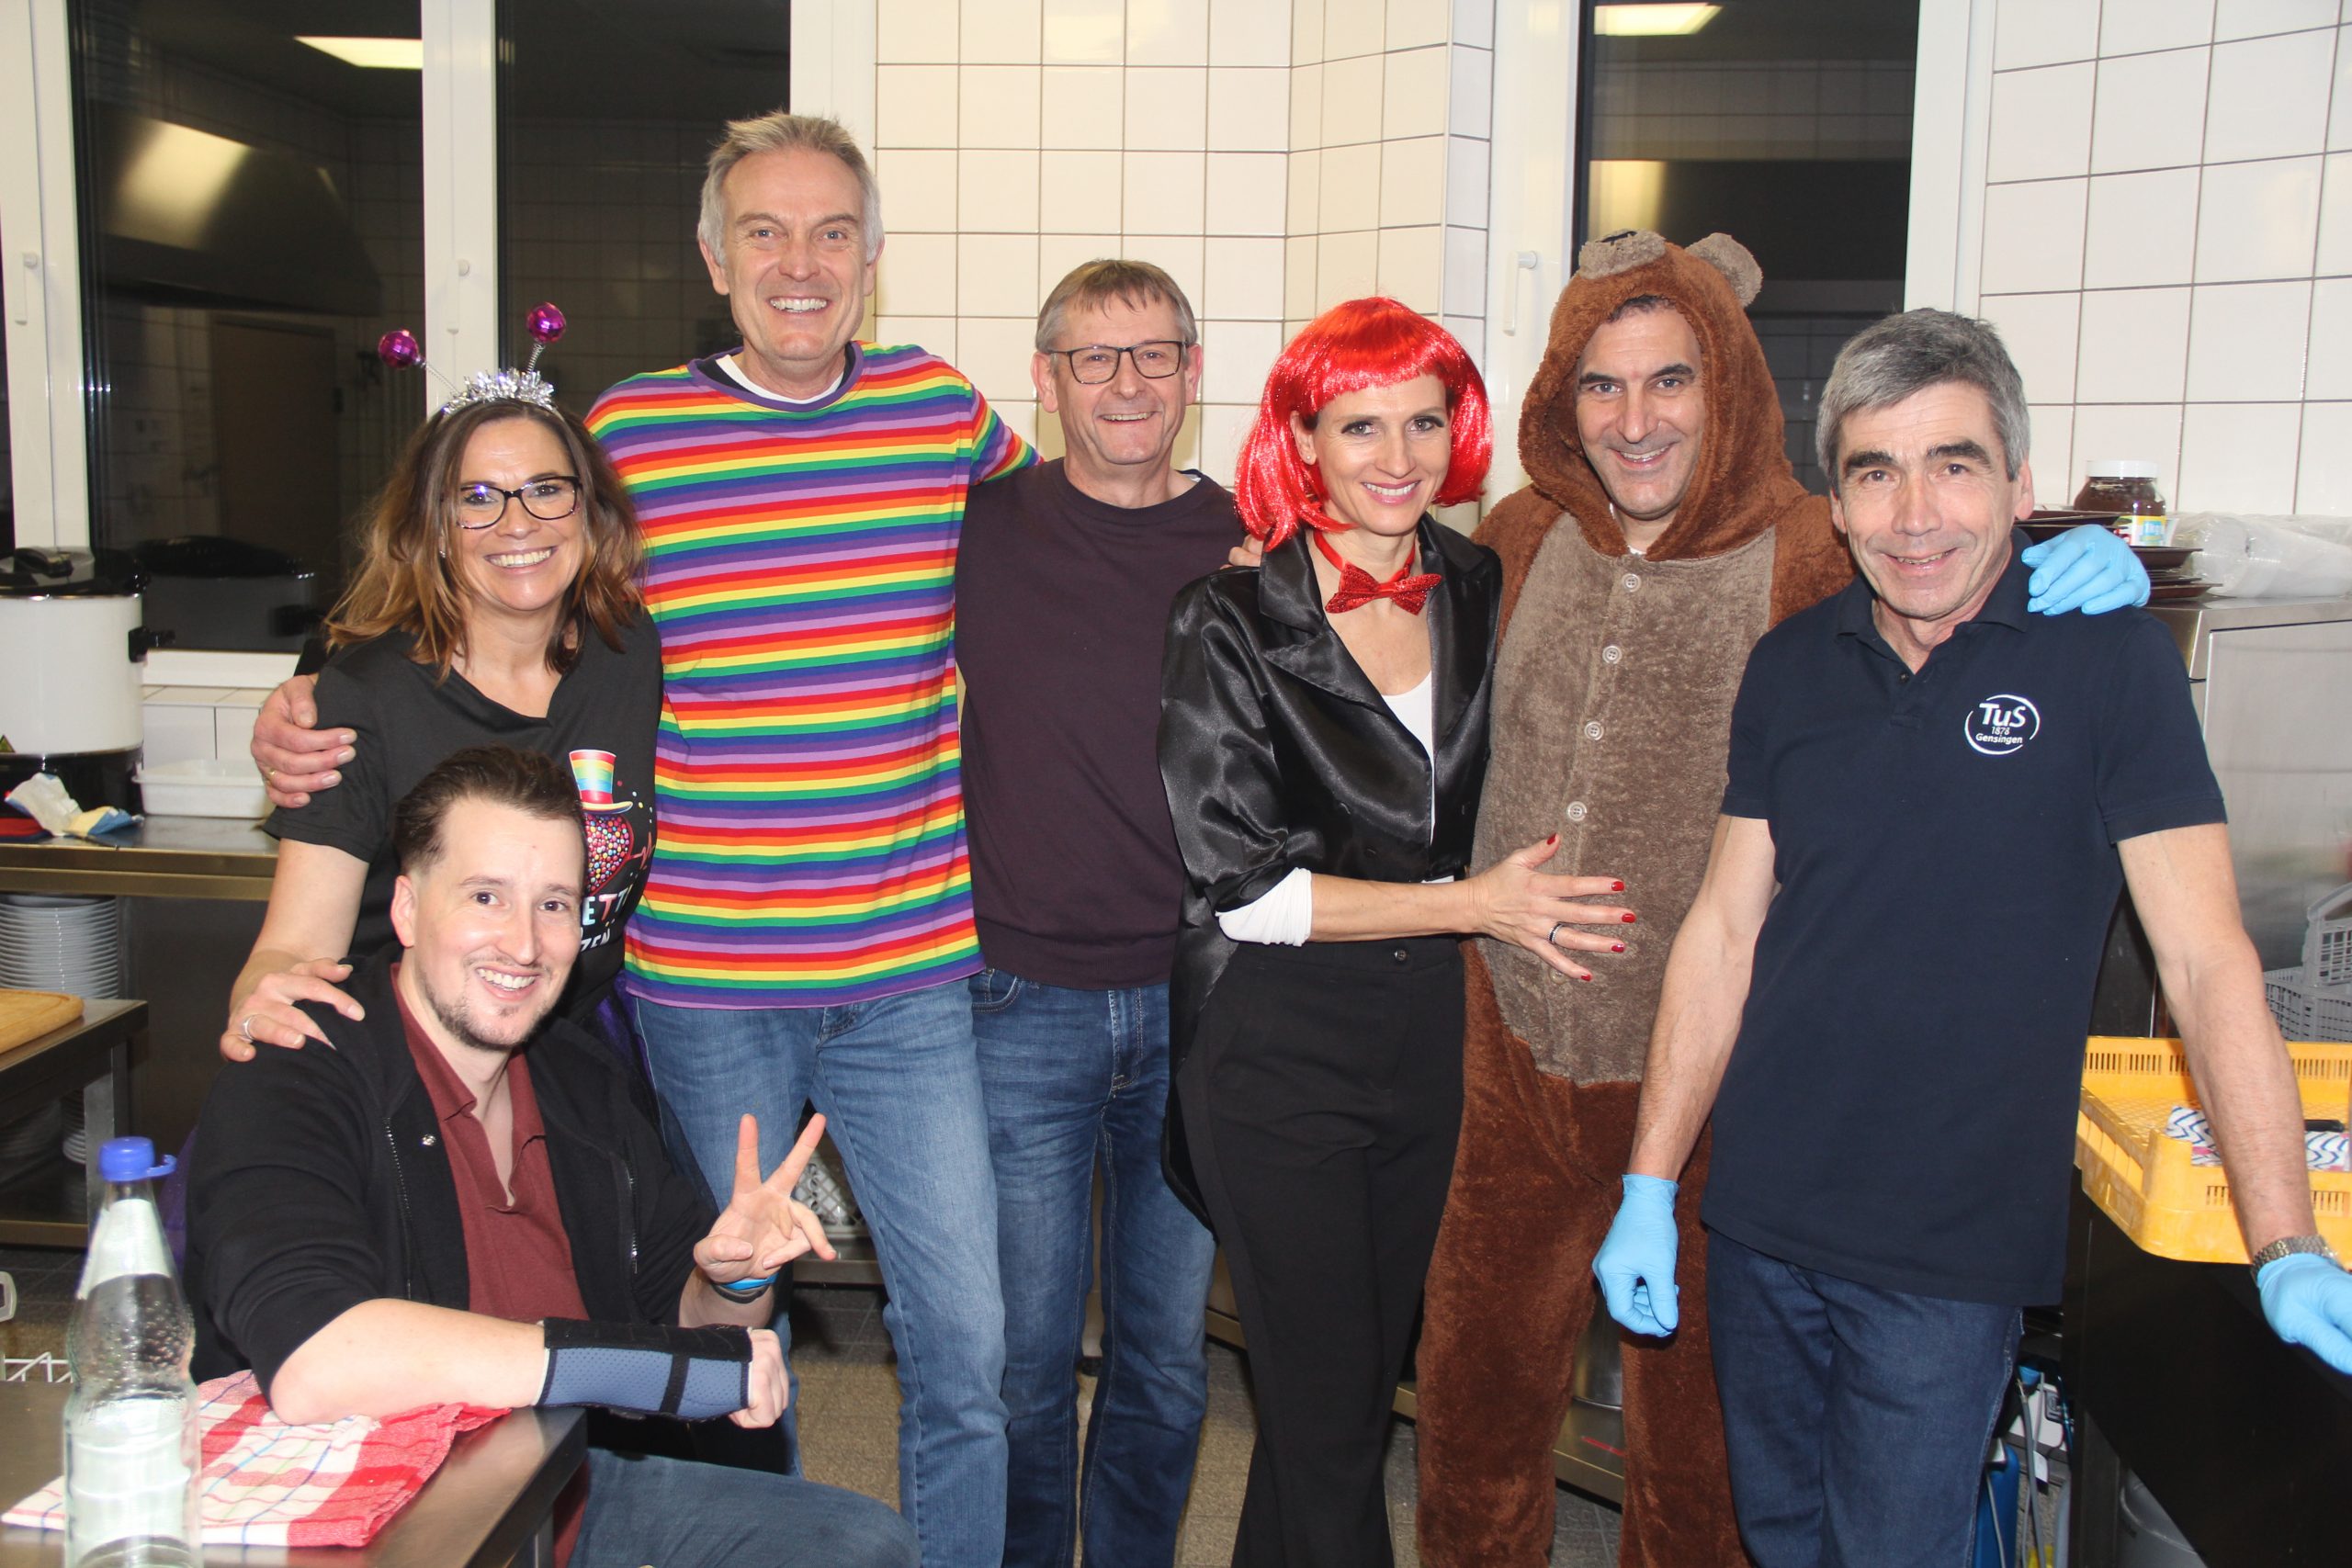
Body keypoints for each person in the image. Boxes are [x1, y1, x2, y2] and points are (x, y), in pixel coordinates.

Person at [250, 112, 1032, 1567]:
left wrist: (1220, 549)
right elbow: (472, 568)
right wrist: (298, 701)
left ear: (873, 256)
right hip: (704, 983)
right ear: (713, 258)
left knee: (966, 1336)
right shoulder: (625, 435)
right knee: (735, 1322)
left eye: (833, 232)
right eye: (765, 232)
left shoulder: (944, 410)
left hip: (910, 973)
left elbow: (1067, 539)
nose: (801, 263)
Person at [1407, 231, 2155, 1568]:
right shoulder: (1518, 532)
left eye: (1671, 380)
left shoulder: (1813, 543)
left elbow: (1939, 565)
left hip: (1716, 1082)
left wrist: (2074, 568)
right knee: (1471, 1409)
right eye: (1600, 385)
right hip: (1509, 1055)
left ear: (1729, 386)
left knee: (1701, 1472)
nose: (1635, 420)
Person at [1592, 307, 2352, 1566]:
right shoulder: (1791, 666)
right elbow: (1723, 932)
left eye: (1955, 464)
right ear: (1837, 508)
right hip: (1763, 1217)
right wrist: (1650, 1183)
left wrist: (2283, 1239)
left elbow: (2208, 960)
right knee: (1779, 1537)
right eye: (1875, 473)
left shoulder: (2109, 665)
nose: (1915, 514)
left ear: (2020, 484)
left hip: (1947, 1255)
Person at [1158, 297, 1635, 1568]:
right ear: (1301, 440)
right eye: (1359, 425)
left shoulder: (1478, 580)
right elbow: (1244, 888)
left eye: (1424, 422)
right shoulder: (1227, 617)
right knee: (1325, 1421)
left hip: (1433, 1040)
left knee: (1349, 1397)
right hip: (1275, 1048)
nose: (1397, 455)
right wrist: (1474, 903)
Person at [186, 745, 920, 1568]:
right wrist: (638, 1368)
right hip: (370, 1515)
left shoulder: (579, 1079)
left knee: (863, 1547)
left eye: (554, 905)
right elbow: (315, 1361)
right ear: (407, 909)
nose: (524, 943)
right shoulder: (298, 1068)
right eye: (486, 896)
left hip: (559, 1492)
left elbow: (683, 1323)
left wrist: (734, 1280)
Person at [956, 259, 1235, 1566]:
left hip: (1200, 1004)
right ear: (1046, 377)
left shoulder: (1251, 545)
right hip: (1018, 999)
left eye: (1154, 354)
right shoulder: (975, 528)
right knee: (1020, 1357)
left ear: (1193, 371)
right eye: (1094, 357)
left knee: (1165, 1357)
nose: (1127, 384)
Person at [223, 384, 657, 1064]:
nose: (518, 523)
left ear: (589, 511)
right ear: (436, 529)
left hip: (575, 1058)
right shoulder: (364, 700)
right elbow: (295, 947)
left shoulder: (627, 649)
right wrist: (264, 1005)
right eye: (477, 498)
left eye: (547, 489)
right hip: (408, 1058)